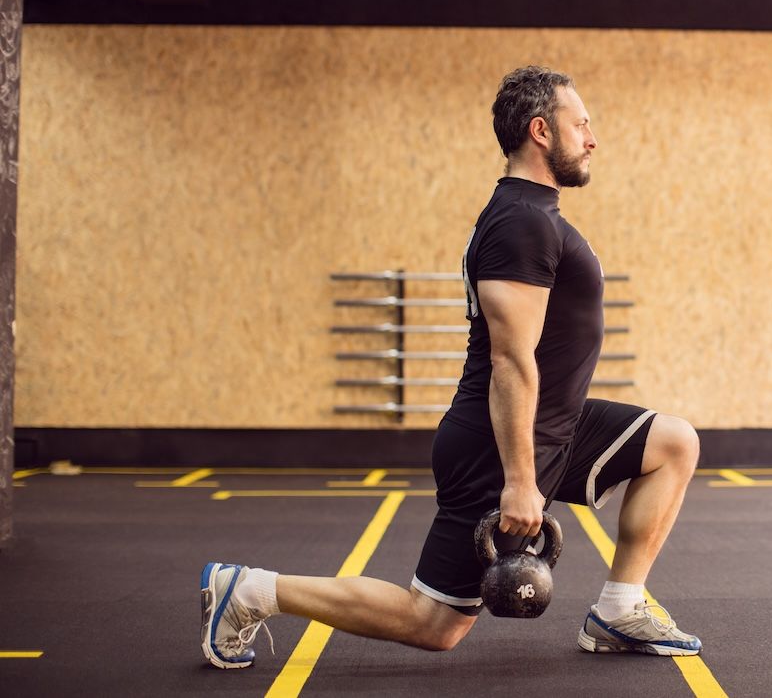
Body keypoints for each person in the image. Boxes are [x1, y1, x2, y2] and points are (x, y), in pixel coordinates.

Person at [200, 66, 703, 669]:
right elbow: (511, 360)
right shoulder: (520, 222)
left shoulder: (537, 215)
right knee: (434, 623)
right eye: (582, 124)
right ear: (541, 131)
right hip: (500, 443)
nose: (592, 138)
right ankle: (250, 590)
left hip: (556, 428)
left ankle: (619, 610)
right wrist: (520, 481)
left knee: (672, 442)